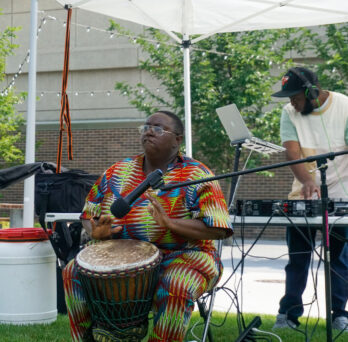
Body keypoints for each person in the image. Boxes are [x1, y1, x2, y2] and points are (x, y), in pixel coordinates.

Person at [62, 110, 233, 342]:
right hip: (120, 256)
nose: (149, 131)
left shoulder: (197, 175)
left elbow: (218, 229)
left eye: (159, 128)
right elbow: (88, 214)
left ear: (178, 139)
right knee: (73, 271)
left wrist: (170, 223)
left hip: (185, 256)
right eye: (146, 127)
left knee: (177, 284)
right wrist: (95, 233)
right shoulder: (116, 172)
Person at [271, 67, 348, 331]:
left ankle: (340, 314)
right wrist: (307, 181)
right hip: (302, 193)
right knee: (298, 258)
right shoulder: (288, 113)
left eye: (294, 96)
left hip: (342, 195)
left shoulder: (345, 107)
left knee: (339, 259)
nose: (291, 101)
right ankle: (289, 314)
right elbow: (292, 153)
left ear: (310, 91)